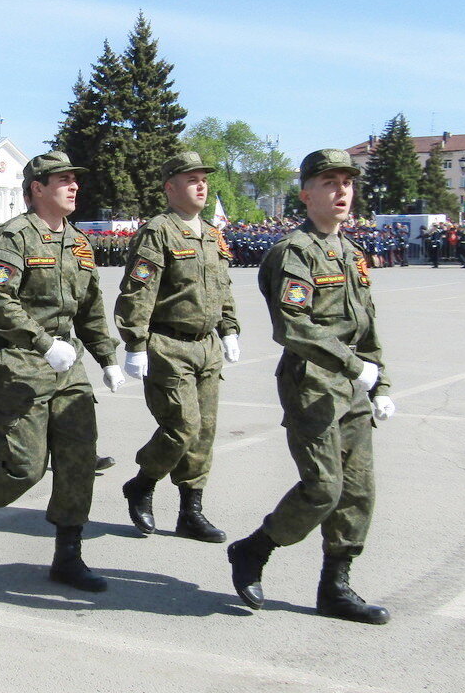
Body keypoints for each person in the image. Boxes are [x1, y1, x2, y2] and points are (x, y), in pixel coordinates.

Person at [228, 149, 396, 625]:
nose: (342, 191)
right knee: (323, 488)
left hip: (353, 386)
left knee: (358, 491)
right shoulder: (294, 252)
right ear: (306, 195)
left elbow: (367, 325)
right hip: (312, 384)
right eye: (329, 182)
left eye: (347, 182)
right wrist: (351, 365)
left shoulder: (350, 254)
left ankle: (335, 588)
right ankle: (254, 549)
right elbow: (293, 326)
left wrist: (380, 380)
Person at [0, 151, 125, 592]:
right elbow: (0, 304)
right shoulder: (13, 239)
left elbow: (90, 307)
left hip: (69, 365)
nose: (73, 186)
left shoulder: (79, 243)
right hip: (21, 363)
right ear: (37, 188)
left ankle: (68, 553)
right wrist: (44, 344)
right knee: (26, 468)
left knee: (79, 459)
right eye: (62, 179)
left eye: (73, 179)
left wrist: (106, 356)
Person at [114, 151, 239, 542]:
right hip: (169, 343)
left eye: (203, 178)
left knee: (205, 432)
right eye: (191, 179)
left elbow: (222, 287)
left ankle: (191, 511)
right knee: (183, 426)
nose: (201, 185)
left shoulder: (212, 234)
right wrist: (134, 343)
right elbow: (138, 290)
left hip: (208, 345)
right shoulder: (159, 231)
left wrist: (230, 328)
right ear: (170, 188)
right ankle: (143, 482)